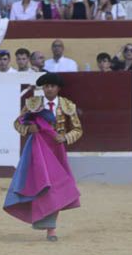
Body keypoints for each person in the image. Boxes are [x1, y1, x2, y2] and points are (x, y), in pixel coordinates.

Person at [6, 72, 82, 241]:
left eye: (52, 86)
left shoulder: (67, 105)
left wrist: (65, 138)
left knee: (54, 186)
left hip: (56, 150)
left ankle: (51, 229)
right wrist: (28, 129)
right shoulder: (34, 103)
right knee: (39, 183)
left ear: (58, 88)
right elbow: (17, 123)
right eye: (46, 86)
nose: (49, 89)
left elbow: (78, 129)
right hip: (37, 150)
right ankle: (48, 227)